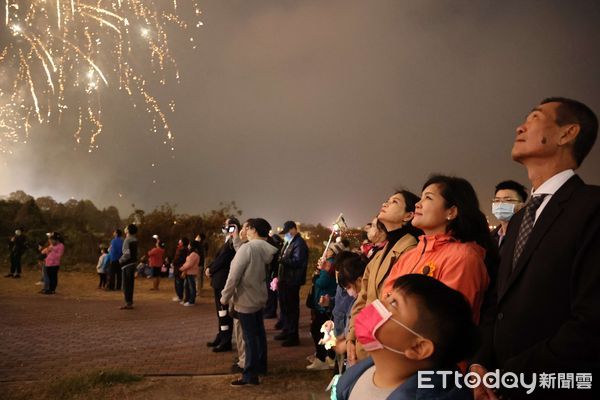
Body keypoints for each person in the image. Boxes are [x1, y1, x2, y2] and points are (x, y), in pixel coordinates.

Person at [472, 97, 600, 400]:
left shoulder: (591, 207)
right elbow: (498, 304)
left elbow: (591, 320)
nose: (520, 126)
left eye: (535, 118)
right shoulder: (518, 222)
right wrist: (481, 362)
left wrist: (509, 376)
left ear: (567, 133)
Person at [335, 274, 478, 400]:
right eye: (388, 296)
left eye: (394, 303)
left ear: (418, 347)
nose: (377, 303)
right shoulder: (355, 378)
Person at [382, 176, 494, 324]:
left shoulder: (462, 258)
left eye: (428, 198)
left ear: (451, 212)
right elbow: (384, 301)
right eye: (420, 198)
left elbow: (446, 321)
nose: (417, 204)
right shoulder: (410, 255)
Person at [346, 190, 422, 364]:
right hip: (366, 341)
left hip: (386, 347)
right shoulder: (380, 254)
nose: (385, 204)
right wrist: (352, 336)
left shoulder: (411, 251)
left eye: (394, 202)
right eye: (387, 200)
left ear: (408, 215)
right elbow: (362, 298)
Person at [220, 218, 278, 386]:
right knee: (258, 335)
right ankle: (260, 368)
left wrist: (224, 297)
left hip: (245, 299)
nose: (245, 230)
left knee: (249, 338)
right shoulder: (265, 249)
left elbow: (234, 276)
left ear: (253, 229)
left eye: (247, 227)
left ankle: (249, 375)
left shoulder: (249, 248)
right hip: (258, 297)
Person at [206, 217, 242, 353]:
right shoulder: (227, 241)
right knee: (220, 312)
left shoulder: (234, 242)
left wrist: (210, 269)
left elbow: (223, 260)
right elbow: (217, 258)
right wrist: (210, 267)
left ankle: (226, 340)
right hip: (218, 280)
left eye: (228, 225)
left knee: (225, 312)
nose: (225, 228)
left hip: (223, 281)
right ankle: (221, 335)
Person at [306, 242, 340, 370]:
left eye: (328, 248)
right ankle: (329, 356)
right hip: (326, 301)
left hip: (324, 302)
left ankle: (323, 358)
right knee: (327, 330)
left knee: (318, 329)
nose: (325, 250)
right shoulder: (332, 263)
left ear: (332, 251)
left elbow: (322, 282)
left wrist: (316, 278)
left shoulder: (329, 263)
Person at [275, 220, 309, 347]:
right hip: (285, 280)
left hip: (292, 281)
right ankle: (286, 330)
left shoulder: (299, 244)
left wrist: (282, 260)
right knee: (284, 307)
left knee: (291, 309)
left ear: (294, 229)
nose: (286, 235)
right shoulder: (290, 243)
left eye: (288, 232)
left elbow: (298, 261)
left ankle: (293, 335)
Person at [490, 180, 527, 249]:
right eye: (497, 200)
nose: (500, 204)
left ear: (522, 206)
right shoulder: (491, 238)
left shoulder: (524, 236)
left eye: (508, 200)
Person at [119, 224, 139, 310]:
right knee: (130, 285)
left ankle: (128, 303)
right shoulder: (135, 240)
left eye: (126, 227)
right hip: (133, 264)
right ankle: (129, 302)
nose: (125, 228)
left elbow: (127, 254)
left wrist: (121, 260)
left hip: (127, 265)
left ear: (128, 230)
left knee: (125, 285)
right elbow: (137, 253)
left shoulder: (127, 240)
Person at [180, 239, 201, 306]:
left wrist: (182, 268)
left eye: (189, 244)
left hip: (191, 272)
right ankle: (187, 299)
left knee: (191, 287)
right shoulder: (192, 254)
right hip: (188, 272)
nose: (188, 246)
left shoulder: (193, 254)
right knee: (187, 286)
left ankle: (191, 301)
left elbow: (189, 264)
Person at [171, 237, 189, 303]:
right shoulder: (186, 249)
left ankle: (180, 296)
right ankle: (180, 296)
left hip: (179, 268)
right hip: (182, 267)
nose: (179, 242)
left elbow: (177, 259)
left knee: (178, 283)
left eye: (180, 241)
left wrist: (173, 262)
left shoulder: (181, 250)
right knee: (181, 283)